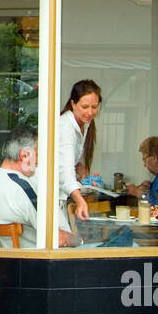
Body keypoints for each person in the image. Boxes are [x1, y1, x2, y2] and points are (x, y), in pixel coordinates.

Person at [0, 127, 41, 248]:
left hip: (7, 259)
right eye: (37, 155)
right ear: (24, 155)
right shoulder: (23, 186)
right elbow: (55, 235)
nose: (38, 161)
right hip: (34, 259)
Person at [57, 80, 102, 223]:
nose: (90, 112)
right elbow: (65, 169)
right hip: (50, 196)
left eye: (94, 107)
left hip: (61, 196)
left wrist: (83, 173)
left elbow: (68, 159)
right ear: (73, 104)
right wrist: (80, 201)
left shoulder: (85, 124)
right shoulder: (65, 127)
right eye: (85, 106)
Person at [124, 135, 158, 208]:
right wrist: (149, 190)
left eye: (144, 159)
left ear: (154, 158)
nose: (144, 165)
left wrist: (138, 193)